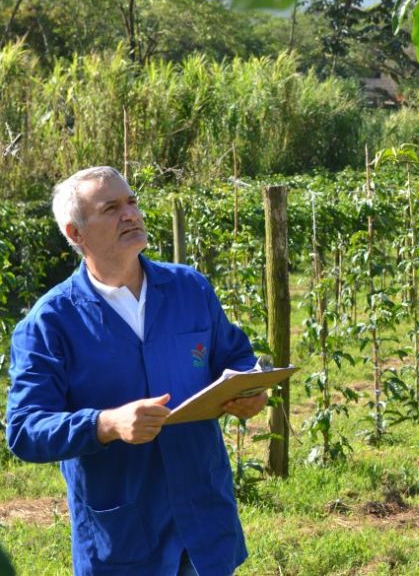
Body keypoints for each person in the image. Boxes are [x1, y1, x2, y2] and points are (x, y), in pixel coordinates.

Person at [5, 166, 267, 576]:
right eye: (110, 208)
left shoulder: (190, 289)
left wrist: (250, 391)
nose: (130, 214)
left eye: (132, 202)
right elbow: (25, 429)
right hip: (125, 535)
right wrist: (106, 424)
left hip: (203, 520)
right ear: (76, 233)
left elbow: (234, 356)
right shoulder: (50, 323)